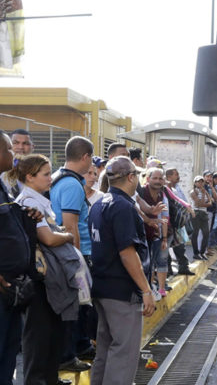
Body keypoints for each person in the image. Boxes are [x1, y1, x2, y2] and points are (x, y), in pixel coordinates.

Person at [9, 154, 75, 385]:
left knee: (52, 332)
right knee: (39, 335)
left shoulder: (38, 199)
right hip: (38, 279)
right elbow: (47, 238)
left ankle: (50, 378)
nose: (50, 178)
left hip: (47, 278)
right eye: (46, 174)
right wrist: (68, 235)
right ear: (30, 177)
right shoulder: (29, 201)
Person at [89, 156, 155, 385]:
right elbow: (127, 253)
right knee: (123, 354)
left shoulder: (99, 204)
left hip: (102, 287)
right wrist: (146, 290)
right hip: (122, 291)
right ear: (131, 177)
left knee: (105, 350)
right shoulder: (123, 207)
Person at [0, 130, 41, 385]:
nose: (12, 153)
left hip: (12, 289)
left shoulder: (4, 185)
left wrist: (29, 218)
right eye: (7, 149)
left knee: (8, 353)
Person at [50, 136, 94, 372]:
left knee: (81, 305)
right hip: (74, 254)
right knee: (75, 305)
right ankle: (68, 355)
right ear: (85, 157)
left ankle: (81, 345)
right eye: (91, 161)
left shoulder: (60, 178)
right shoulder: (71, 184)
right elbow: (70, 225)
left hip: (67, 252)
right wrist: (77, 261)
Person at [140, 168, 170, 299]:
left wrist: (164, 239)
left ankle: (151, 290)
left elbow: (164, 219)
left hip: (153, 237)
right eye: (155, 178)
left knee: (150, 265)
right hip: (139, 237)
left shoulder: (162, 196)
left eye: (160, 178)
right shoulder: (140, 192)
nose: (158, 181)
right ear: (148, 179)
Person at [165, 169, 195, 276]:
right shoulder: (166, 188)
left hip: (179, 223)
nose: (178, 176)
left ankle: (183, 267)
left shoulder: (176, 188)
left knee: (180, 246)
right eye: (176, 174)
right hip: (170, 222)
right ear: (169, 177)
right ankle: (168, 270)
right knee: (166, 247)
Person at [189, 176, 212, 260]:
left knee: (206, 233)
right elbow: (198, 204)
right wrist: (202, 196)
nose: (200, 183)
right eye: (198, 182)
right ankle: (196, 253)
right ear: (195, 183)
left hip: (203, 213)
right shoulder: (193, 192)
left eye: (202, 182)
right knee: (195, 234)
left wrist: (204, 202)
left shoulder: (205, 191)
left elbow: (210, 202)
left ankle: (202, 252)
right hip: (196, 214)